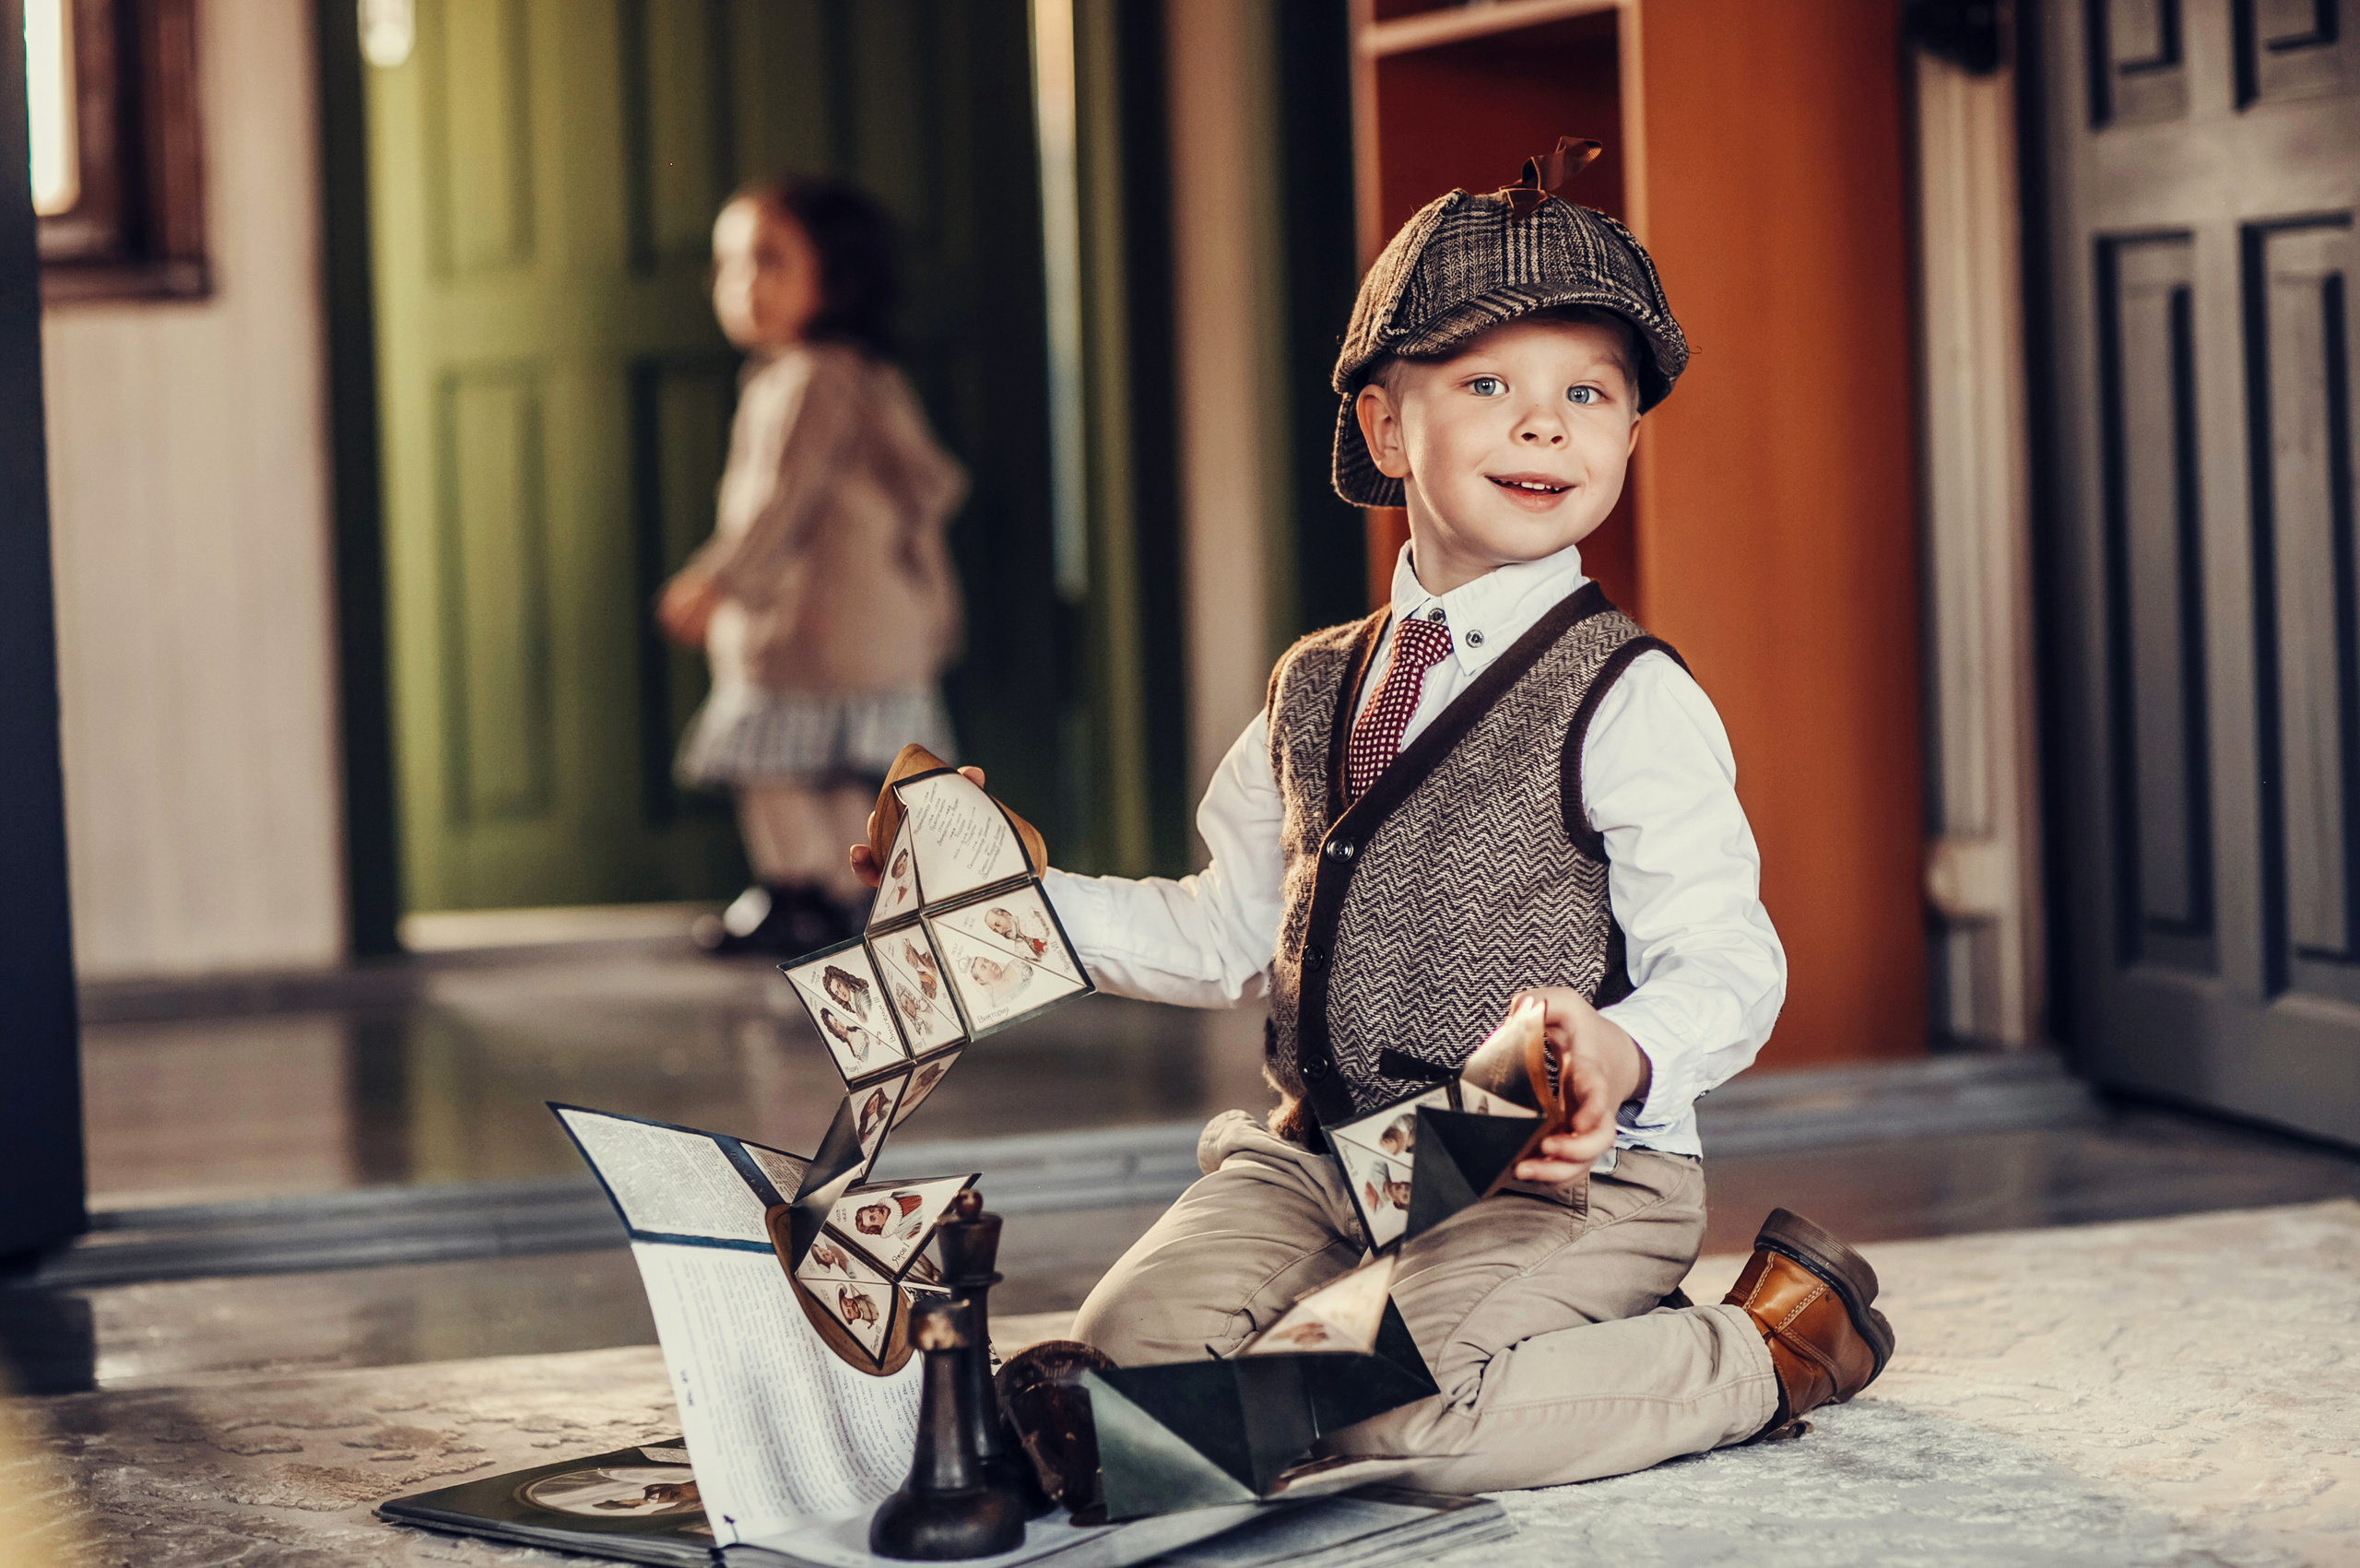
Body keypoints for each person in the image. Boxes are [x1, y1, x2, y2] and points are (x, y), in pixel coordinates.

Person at [857, 142, 1894, 1490]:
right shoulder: (1314, 685)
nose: (1546, 424)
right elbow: (1226, 928)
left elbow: (1732, 961)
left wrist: (1623, 1052)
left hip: (1561, 1184)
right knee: (1123, 1367)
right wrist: (990, 901)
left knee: (1370, 1424)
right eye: (1488, 384)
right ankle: (1325, 1351)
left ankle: (1762, 1345)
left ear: (1630, 433)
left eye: (1590, 391)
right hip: (1327, 1167)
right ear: (1387, 427)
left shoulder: (1626, 696)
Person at [662, 174, 965, 956]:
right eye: (729, 265)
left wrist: (719, 577)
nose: (740, 285)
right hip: (871, 628)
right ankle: (841, 901)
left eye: (768, 262)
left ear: (838, 278)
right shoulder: (858, 376)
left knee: (772, 762)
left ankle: (796, 892)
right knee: (840, 771)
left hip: (817, 631)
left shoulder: (811, 380)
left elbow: (781, 501)